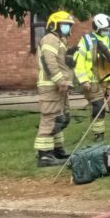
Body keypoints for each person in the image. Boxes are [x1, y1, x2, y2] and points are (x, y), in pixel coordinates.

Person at [74, 13, 110, 142]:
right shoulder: (86, 40)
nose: (107, 32)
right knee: (98, 107)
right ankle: (99, 134)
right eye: (105, 30)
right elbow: (79, 62)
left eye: (109, 29)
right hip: (93, 80)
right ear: (96, 28)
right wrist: (83, 80)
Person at [33, 11, 76, 167]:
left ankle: (57, 150)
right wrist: (60, 80)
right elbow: (49, 61)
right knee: (50, 118)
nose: (67, 28)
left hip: (59, 86)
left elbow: (60, 60)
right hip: (51, 86)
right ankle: (44, 156)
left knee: (59, 117)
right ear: (54, 25)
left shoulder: (59, 40)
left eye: (68, 26)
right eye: (65, 25)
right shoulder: (50, 39)